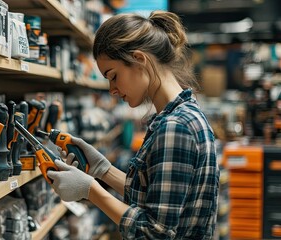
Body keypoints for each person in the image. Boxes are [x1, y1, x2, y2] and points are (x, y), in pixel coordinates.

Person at [46, 10, 219, 239]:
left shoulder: (175, 127)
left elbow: (154, 233)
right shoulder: (178, 116)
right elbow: (153, 200)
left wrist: (91, 190)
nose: (112, 90)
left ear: (139, 59)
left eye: (113, 75)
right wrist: (103, 170)